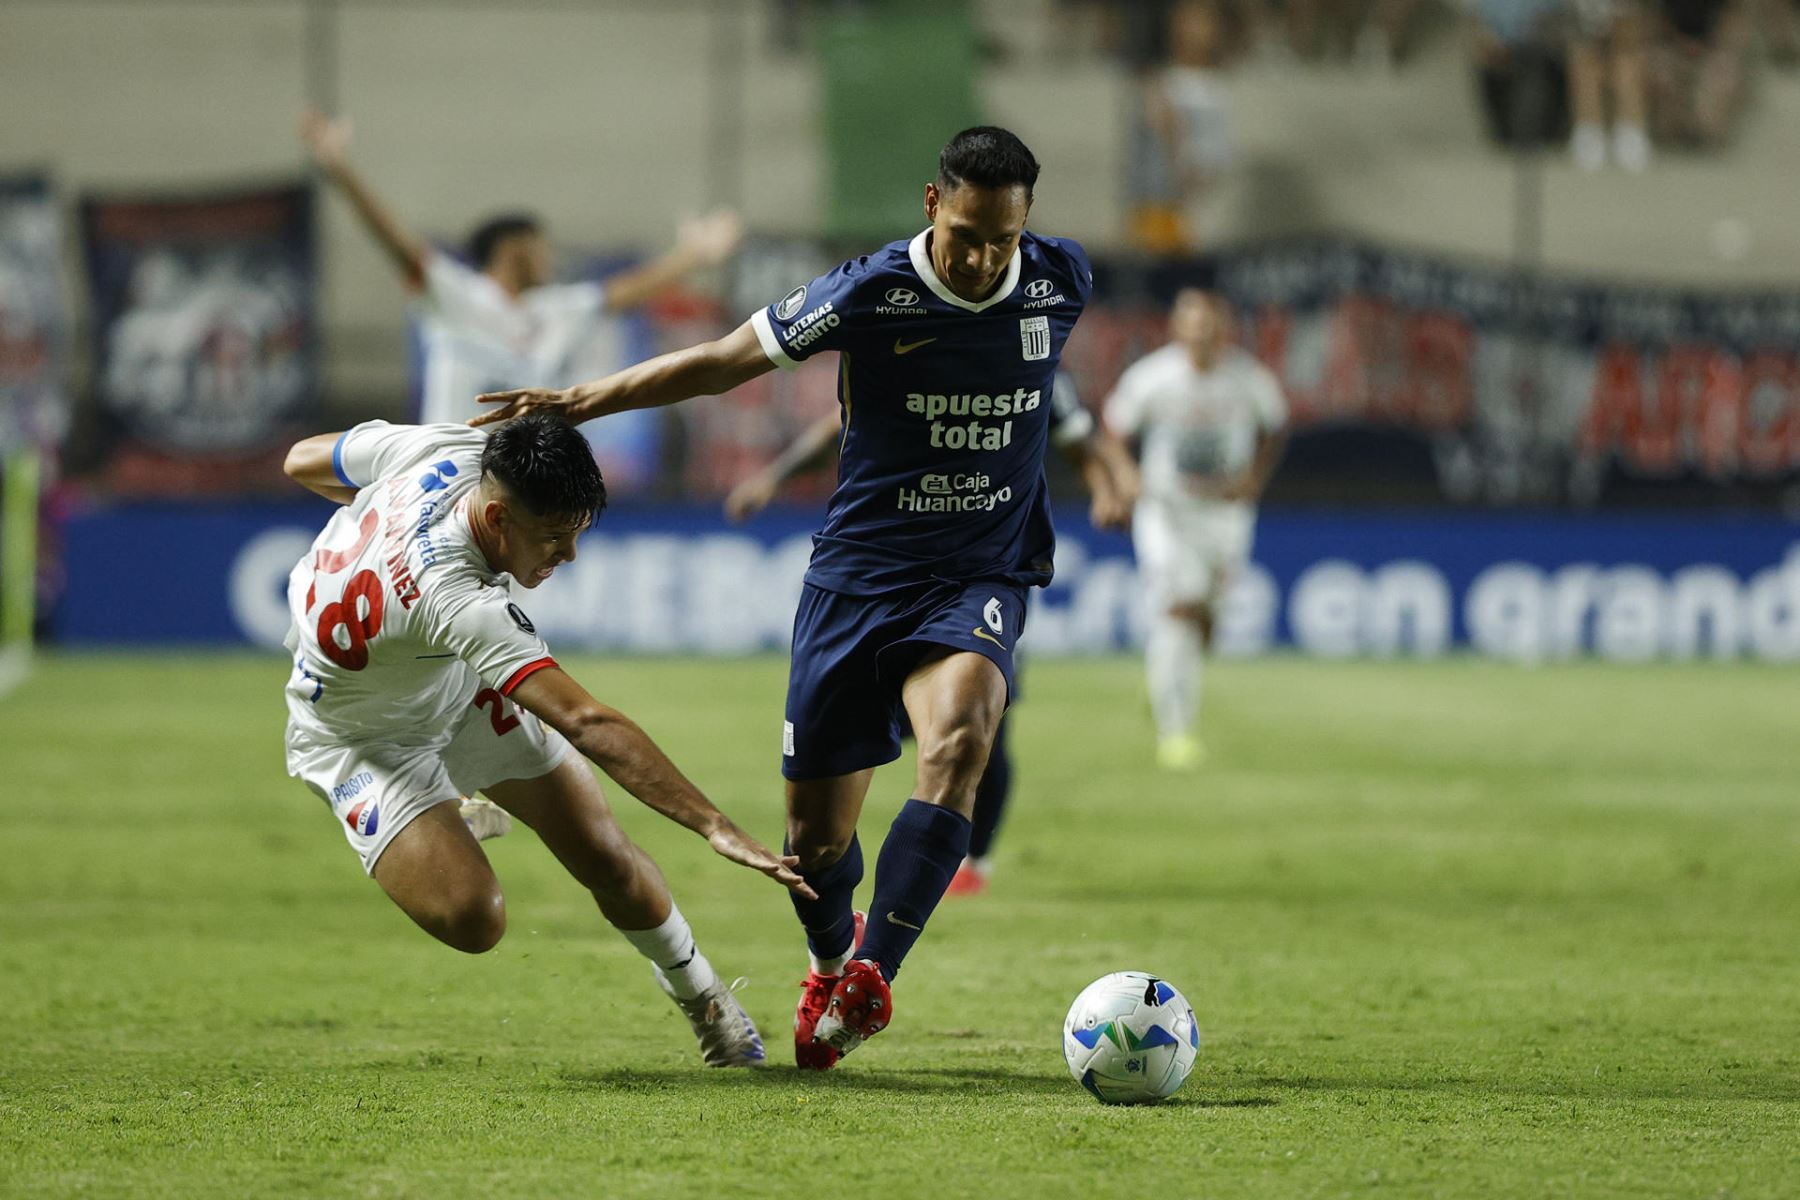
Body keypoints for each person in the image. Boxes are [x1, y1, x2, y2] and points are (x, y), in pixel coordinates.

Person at [473, 127, 1091, 1069]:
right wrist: (583, 400)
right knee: (812, 840)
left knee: (963, 734)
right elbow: (726, 359)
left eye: (1000, 240)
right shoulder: (870, 290)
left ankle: (871, 978)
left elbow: (1058, 399)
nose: (980, 258)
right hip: (857, 579)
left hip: (977, 572)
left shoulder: (1061, 282)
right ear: (934, 204)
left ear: (1026, 224)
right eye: (966, 234)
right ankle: (829, 959)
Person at [280, 411, 812, 1067]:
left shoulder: (448, 446)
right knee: (476, 920)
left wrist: (373, 520)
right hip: (360, 738)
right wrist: (711, 824)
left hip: (450, 684)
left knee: (604, 856)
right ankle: (439, 805)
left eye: (577, 532)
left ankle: (706, 1001)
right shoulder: (457, 597)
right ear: (499, 519)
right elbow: (587, 722)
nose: (568, 555)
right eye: (555, 537)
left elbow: (301, 459)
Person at [721, 372, 1137, 896]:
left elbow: (1075, 436)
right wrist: (774, 478)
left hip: (981, 570)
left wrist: (1104, 489)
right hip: (888, 573)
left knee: (981, 726)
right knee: (868, 733)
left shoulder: (1030, 355)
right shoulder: (912, 336)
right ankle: (855, 883)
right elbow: (838, 425)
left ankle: (973, 862)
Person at [298, 109, 744, 427]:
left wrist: (696, 254)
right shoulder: (456, 296)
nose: (550, 256)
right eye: (541, 246)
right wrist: (340, 171)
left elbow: (626, 291)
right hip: (445, 478)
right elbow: (395, 242)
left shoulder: (556, 309)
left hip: (518, 492)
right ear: (514, 248)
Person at [1105, 288, 1287, 771]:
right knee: (1178, 605)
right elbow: (1115, 427)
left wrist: (1252, 480)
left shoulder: (1248, 379)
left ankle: (1163, 676)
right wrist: (1125, 474)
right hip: (1167, 511)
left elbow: (1276, 428)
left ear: (1223, 329)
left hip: (1224, 516)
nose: (1201, 334)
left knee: (1206, 618)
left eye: (1210, 325)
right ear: (1178, 329)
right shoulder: (1153, 377)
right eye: (1193, 324)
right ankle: (1176, 732)